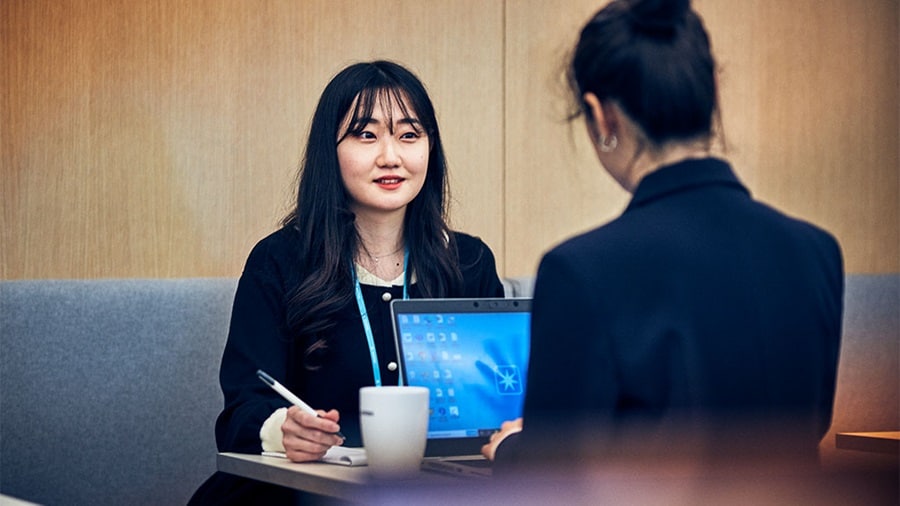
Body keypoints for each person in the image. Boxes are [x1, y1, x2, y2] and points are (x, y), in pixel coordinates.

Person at [482, 0, 843, 471]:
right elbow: (807, 428)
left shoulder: (581, 271)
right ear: (713, 91)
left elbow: (553, 479)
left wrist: (511, 449)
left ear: (601, 115)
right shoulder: (816, 252)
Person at [190, 60, 504, 504]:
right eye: (366, 134)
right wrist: (283, 429)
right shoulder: (280, 260)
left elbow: (498, 407)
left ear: (430, 149)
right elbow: (241, 411)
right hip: (299, 493)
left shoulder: (469, 262)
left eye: (409, 135)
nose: (390, 156)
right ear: (329, 150)